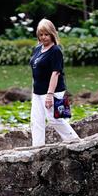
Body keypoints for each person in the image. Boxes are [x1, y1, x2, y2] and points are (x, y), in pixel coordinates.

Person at [29, 18, 80, 147]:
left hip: (53, 91)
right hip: (37, 92)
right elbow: (35, 71)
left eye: (46, 34)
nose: (44, 37)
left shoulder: (55, 51)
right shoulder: (37, 49)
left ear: (52, 34)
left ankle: (73, 140)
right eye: (41, 35)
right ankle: (38, 146)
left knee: (54, 119)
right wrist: (33, 91)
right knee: (36, 121)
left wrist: (50, 95)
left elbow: (55, 73)